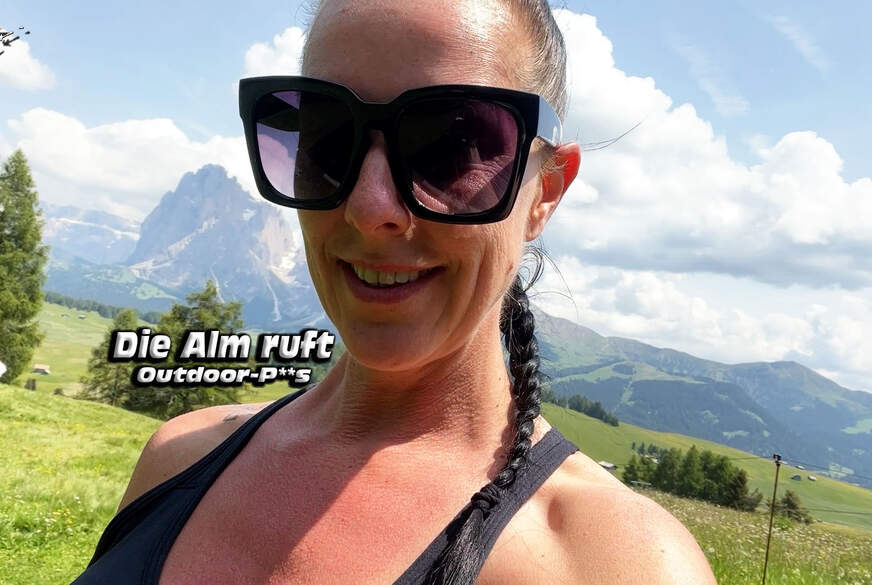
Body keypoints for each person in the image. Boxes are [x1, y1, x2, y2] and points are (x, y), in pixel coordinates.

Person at [72, 1, 717, 583]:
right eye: (326, 137)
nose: (368, 207)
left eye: (453, 147)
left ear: (545, 192)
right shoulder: (178, 455)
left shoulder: (617, 565)